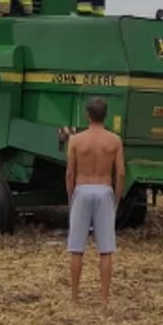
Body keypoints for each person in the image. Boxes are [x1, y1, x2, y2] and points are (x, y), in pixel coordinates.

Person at [66, 97, 125, 308]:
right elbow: (120, 174)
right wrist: (116, 198)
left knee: (76, 248)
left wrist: (70, 196)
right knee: (106, 249)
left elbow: (70, 173)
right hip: (104, 190)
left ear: (87, 115)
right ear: (106, 115)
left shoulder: (75, 140)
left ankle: (74, 298)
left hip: (82, 189)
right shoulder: (114, 141)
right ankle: (104, 299)